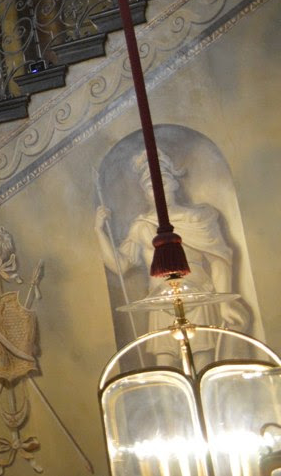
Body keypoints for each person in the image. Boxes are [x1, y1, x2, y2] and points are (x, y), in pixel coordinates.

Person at [94, 150, 250, 364]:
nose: (157, 191)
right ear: (144, 192)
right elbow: (119, 266)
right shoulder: (141, 226)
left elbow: (219, 260)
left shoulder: (197, 218)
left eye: (163, 183)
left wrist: (225, 302)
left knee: (203, 360)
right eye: (150, 187)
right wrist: (99, 231)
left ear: (174, 184)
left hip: (197, 296)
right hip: (160, 302)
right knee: (165, 365)